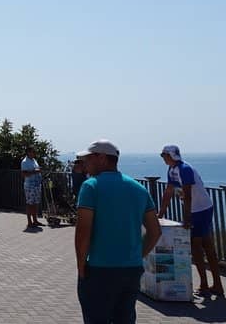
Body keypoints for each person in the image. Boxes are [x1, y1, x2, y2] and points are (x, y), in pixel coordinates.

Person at [75, 139, 161, 324]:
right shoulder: (139, 189)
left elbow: (83, 231)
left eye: (88, 158)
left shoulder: (91, 186)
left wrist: (81, 266)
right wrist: (137, 255)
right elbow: (155, 231)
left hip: (99, 270)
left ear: (102, 158)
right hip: (131, 270)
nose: (85, 163)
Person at [159, 145, 224, 297]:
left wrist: (187, 218)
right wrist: (161, 213)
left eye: (164, 155)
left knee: (197, 247)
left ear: (171, 155)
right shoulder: (172, 170)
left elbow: (187, 195)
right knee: (205, 245)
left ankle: (206, 285)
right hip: (197, 209)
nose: (163, 158)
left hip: (200, 209)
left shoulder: (185, 169)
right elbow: (168, 191)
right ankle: (214, 285)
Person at [21, 147, 44, 228]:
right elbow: (24, 174)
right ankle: (29, 222)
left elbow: (36, 169)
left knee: (35, 203)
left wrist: (39, 170)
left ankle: (35, 220)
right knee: (30, 204)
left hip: (36, 184)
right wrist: (35, 171)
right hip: (30, 185)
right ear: (28, 152)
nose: (34, 153)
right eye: (33, 152)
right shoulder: (24, 162)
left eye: (34, 152)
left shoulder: (34, 160)